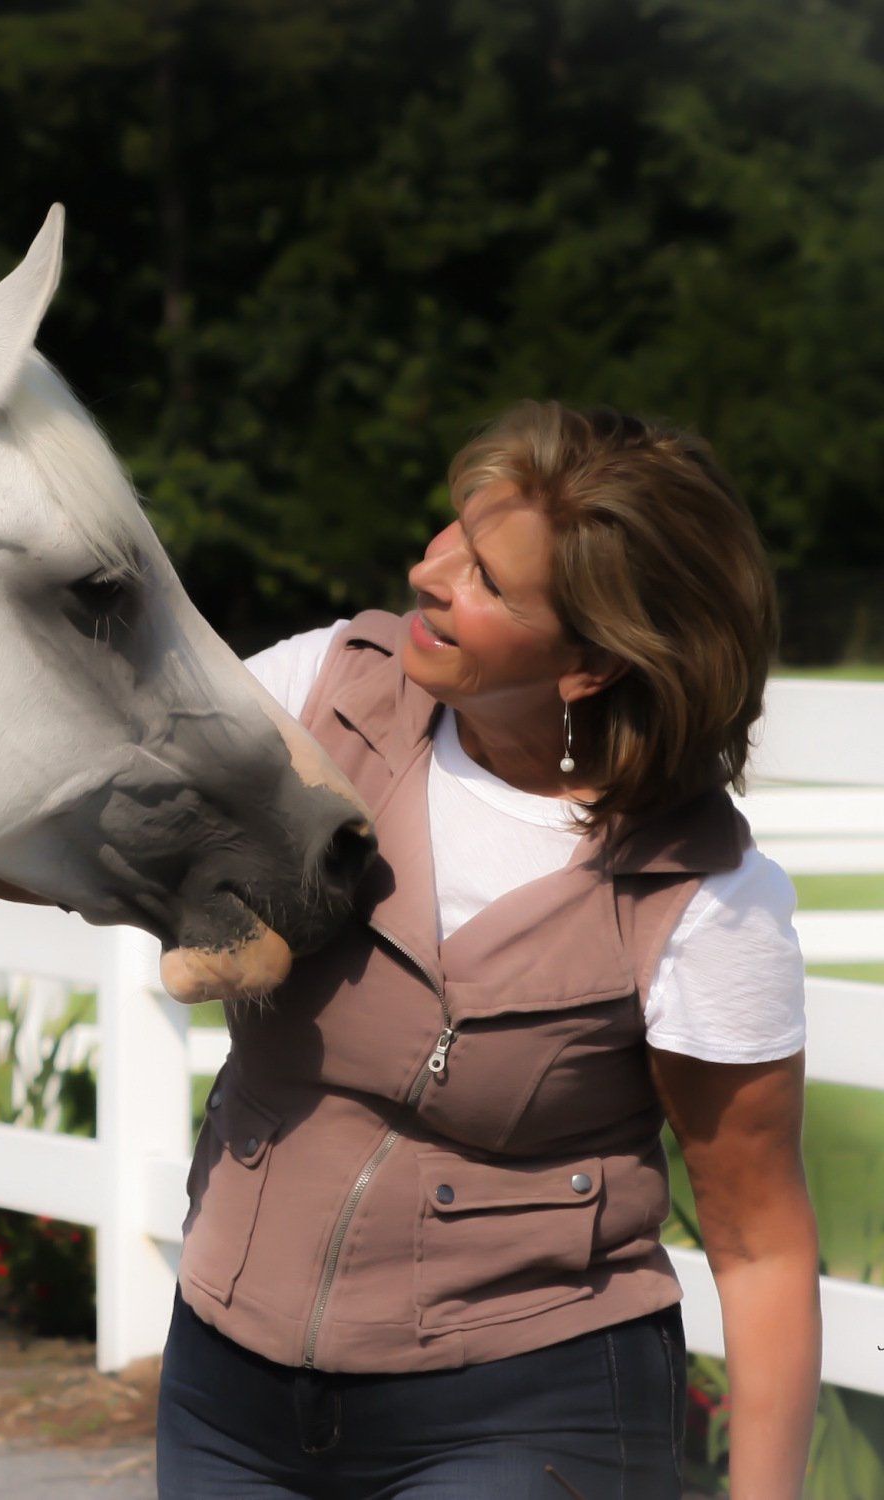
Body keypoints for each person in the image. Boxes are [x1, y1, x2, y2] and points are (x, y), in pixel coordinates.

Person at [155, 401, 820, 1498]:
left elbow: (761, 1249)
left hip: (527, 1410)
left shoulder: (699, 900)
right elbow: (93, 812)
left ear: (592, 666)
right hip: (227, 1387)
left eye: (489, 584)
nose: (430, 575)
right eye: (454, 534)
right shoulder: (321, 693)